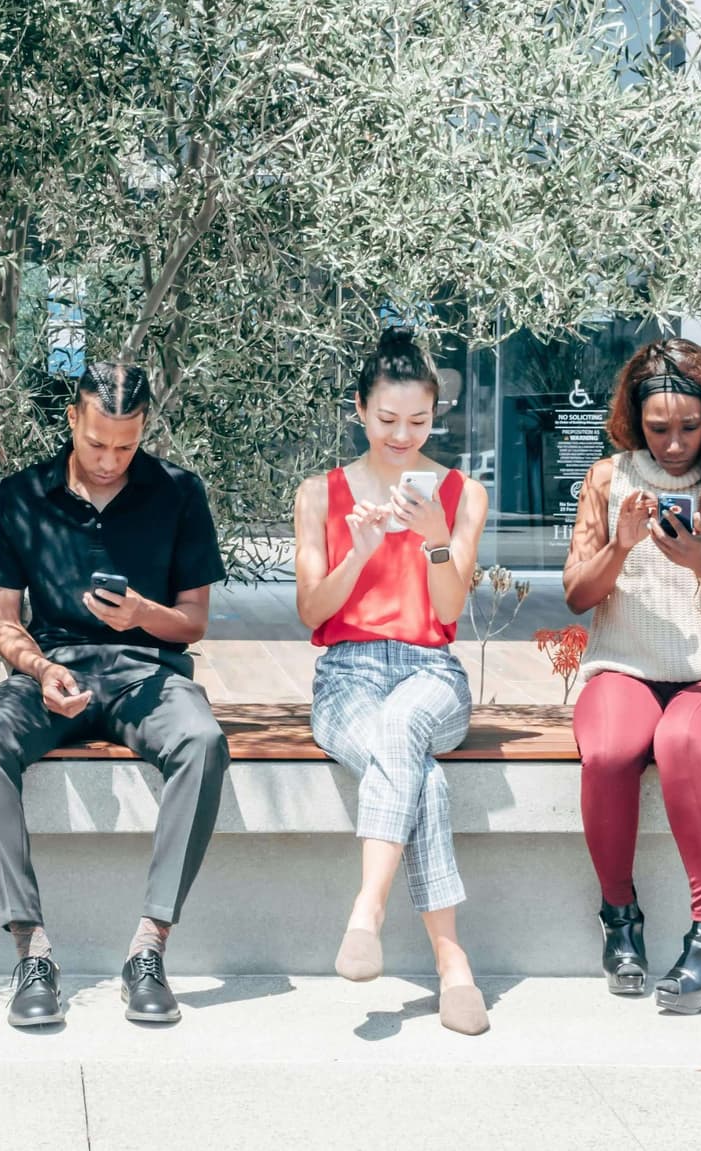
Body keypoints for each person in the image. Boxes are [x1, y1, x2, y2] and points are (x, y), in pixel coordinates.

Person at [0, 362, 230, 1029]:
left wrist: (141, 612)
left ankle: (149, 946)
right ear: (72, 421)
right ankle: (32, 950)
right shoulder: (19, 495)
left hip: (148, 668)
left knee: (203, 739)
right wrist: (40, 668)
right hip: (51, 671)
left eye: (126, 446)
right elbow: (4, 623)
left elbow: (193, 621)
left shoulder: (179, 493)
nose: (110, 460)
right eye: (97, 442)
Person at [562, 336, 701, 1015]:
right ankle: (619, 919)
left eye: (690, 426)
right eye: (659, 429)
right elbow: (576, 595)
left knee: (681, 741)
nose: (675, 442)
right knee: (607, 749)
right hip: (625, 669)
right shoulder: (606, 478)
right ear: (634, 418)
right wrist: (620, 548)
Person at [294, 329, 493, 1036]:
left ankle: (367, 910)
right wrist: (366, 551)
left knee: (404, 724)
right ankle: (452, 962)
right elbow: (313, 612)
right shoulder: (320, 492)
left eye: (418, 421)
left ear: (435, 416)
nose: (403, 436)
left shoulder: (464, 494)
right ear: (359, 409)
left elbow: (445, 611)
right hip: (347, 673)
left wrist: (437, 535)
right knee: (422, 779)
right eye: (387, 420)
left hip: (430, 671)